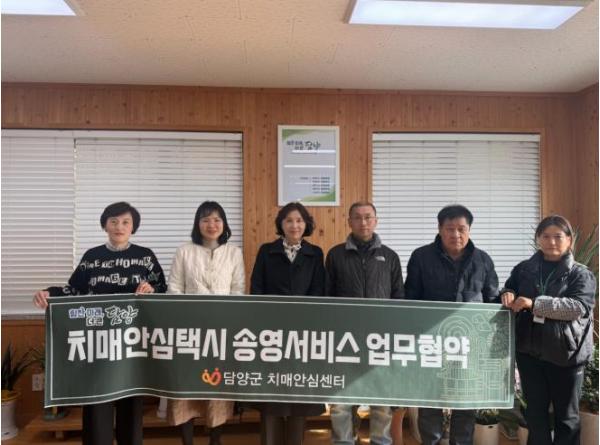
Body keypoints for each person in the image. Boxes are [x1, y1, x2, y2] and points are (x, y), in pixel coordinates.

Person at [33, 201, 167, 445]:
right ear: (105, 225)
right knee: (96, 403)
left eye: (125, 222)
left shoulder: (145, 256)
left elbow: (162, 289)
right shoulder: (92, 257)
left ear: (133, 226)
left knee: (130, 404)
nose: (119, 227)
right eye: (113, 221)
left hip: (132, 341)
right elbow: (74, 290)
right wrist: (49, 292)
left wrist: (152, 289)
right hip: (97, 340)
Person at [404, 204, 498, 445]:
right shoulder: (421, 257)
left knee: (465, 401)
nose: (456, 234)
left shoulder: (483, 260)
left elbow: (492, 301)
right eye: (449, 229)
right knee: (430, 399)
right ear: (439, 229)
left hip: (469, 344)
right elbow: (410, 299)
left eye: (461, 229)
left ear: (469, 230)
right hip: (430, 341)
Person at [500, 215, 596, 445]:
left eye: (558, 236)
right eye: (545, 236)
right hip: (529, 353)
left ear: (569, 240)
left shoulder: (581, 273)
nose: (551, 241)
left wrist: (534, 304)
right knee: (535, 414)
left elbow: (577, 308)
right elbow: (509, 288)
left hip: (567, 355)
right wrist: (507, 294)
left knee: (567, 418)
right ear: (538, 239)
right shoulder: (524, 269)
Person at [167, 201, 245, 445]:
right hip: (188, 330)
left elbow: (238, 290)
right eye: (205, 220)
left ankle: (215, 439)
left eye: (217, 219)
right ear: (197, 224)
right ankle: (187, 440)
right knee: (186, 385)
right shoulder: (184, 251)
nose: (212, 225)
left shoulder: (234, 252)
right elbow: (174, 288)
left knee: (217, 385)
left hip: (221, 331)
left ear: (224, 224)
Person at [325, 201, 404, 445]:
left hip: (380, 339)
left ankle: (380, 441)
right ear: (349, 222)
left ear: (376, 220)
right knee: (341, 399)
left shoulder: (390, 256)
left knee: (381, 399)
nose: (363, 222)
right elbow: (327, 297)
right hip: (344, 339)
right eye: (357, 217)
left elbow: (399, 298)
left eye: (368, 217)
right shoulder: (336, 255)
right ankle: (343, 441)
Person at [250, 202, 326, 445]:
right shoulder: (266, 251)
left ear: (306, 224)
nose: (295, 225)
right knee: (271, 389)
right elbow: (257, 289)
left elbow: (319, 291)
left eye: (299, 220)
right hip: (270, 332)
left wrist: (303, 317)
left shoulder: (315, 253)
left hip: (302, 333)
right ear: (281, 224)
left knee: (297, 390)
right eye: (289, 220)